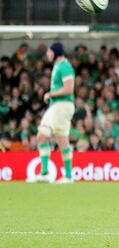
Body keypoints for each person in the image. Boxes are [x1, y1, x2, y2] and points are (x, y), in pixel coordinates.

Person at [27, 43, 76, 184]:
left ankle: (68, 176)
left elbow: (69, 89)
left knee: (61, 139)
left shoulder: (65, 66)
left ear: (56, 53)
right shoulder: (58, 66)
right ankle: (44, 173)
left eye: (49, 52)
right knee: (41, 135)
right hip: (55, 106)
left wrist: (51, 93)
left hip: (62, 105)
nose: (47, 54)